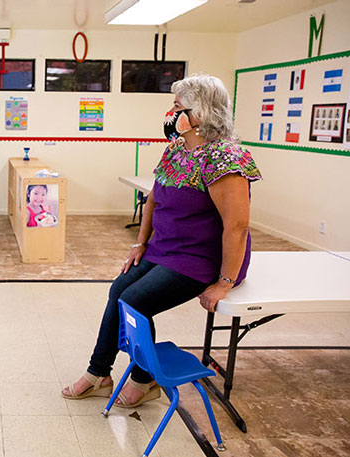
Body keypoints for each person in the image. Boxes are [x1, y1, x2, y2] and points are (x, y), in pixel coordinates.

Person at [61, 74, 262, 407]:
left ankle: (144, 379)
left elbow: (237, 226)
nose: (171, 112)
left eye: (177, 106)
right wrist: (140, 243)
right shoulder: (177, 150)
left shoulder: (226, 159)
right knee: (118, 290)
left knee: (136, 300)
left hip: (200, 258)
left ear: (200, 114)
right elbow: (154, 198)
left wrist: (225, 282)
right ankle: (100, 373)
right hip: (164, 249)